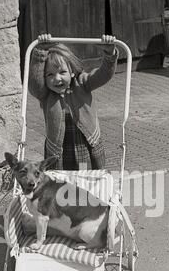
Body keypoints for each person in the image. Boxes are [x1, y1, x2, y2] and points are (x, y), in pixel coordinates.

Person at [28, 33, 118, 170]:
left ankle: (85, 191)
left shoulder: (82, 83)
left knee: (84, 179)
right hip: (60, 149)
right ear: (44, 78)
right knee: (61, 181)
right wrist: (40, 53)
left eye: (62, 72)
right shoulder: (45, 94)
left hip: (85, 146)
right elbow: (35, 85)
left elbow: (103, 74)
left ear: (71, 71)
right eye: (50, 74)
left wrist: (109, 54)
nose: (57, 79)